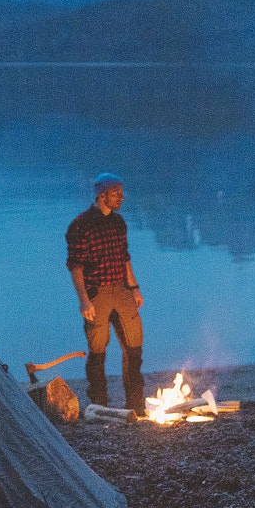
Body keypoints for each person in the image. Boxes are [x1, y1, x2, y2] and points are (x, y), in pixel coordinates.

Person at [65, 172, 146, 416]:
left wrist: (134, 287)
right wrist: (84, 300)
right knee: (98, 351)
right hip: (96, 293)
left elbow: (125, 258)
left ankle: (135, 404)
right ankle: (99, 404)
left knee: (134, 347)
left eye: (121, 192)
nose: (122, 197)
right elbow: (75, 266)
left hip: (121, 290)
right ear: (102, 195)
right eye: (116, 193)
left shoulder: (119, 223)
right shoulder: (81, 225)